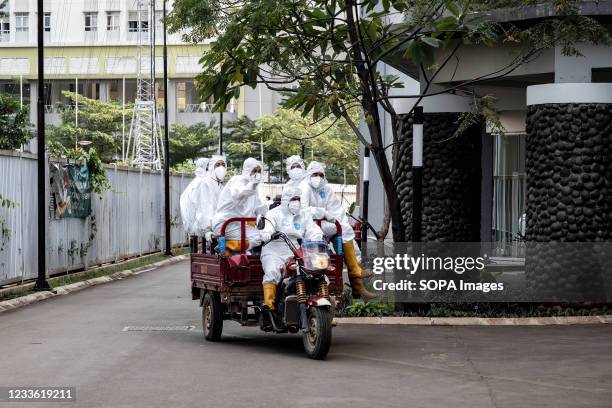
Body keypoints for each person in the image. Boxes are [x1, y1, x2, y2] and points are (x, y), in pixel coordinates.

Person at [299, 161, 376, 300]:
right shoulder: (304, 187)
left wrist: (339, 222)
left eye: (321, 175)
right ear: (309, 175)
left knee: (345, 229)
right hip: (308, 226)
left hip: (325, 224)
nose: (318, 177)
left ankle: (356, 278)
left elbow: (337, 210)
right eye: (315, 174)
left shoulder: (325, 188)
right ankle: (353, 275)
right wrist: (322, 213)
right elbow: (303, 210)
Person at [259, 186, 324, 310]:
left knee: (319, 273)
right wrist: (267, 234)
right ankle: (269, 306)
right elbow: (268, 227)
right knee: (272, 271)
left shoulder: (304, 214)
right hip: (274, 249)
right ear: (286, 200)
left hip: (296, 249)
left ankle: (325, 311)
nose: (296, 202)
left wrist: (317, 238)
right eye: (293, 199)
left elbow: (313, 230)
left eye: (298, 199)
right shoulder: (273, 213)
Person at [212, 157, 268, 251]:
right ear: (247, 169)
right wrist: (252, 185)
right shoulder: (237, 180)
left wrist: (268, 214)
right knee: (257, 237)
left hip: (238, 224)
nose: (257, 174)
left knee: (262, 236)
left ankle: (230, 246)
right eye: (254, 170)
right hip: (225, 223)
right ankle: (227, 247)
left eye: (259, 171)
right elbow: (238, 194)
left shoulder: (254, 188)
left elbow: (259, 207)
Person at [193, 155, 227, 243]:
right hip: (211, 231)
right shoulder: (207, 182)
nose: (221, 167)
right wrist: (207, 230)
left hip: (219, 227)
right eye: (218, 165)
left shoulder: (220, 185)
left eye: (223, 165)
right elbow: (205, 206)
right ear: (212, 167)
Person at [179, 157, 209, 237]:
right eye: (208, 166)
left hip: (193, 223)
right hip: (198, 222)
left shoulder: (195, 182)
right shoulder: (201, 182)